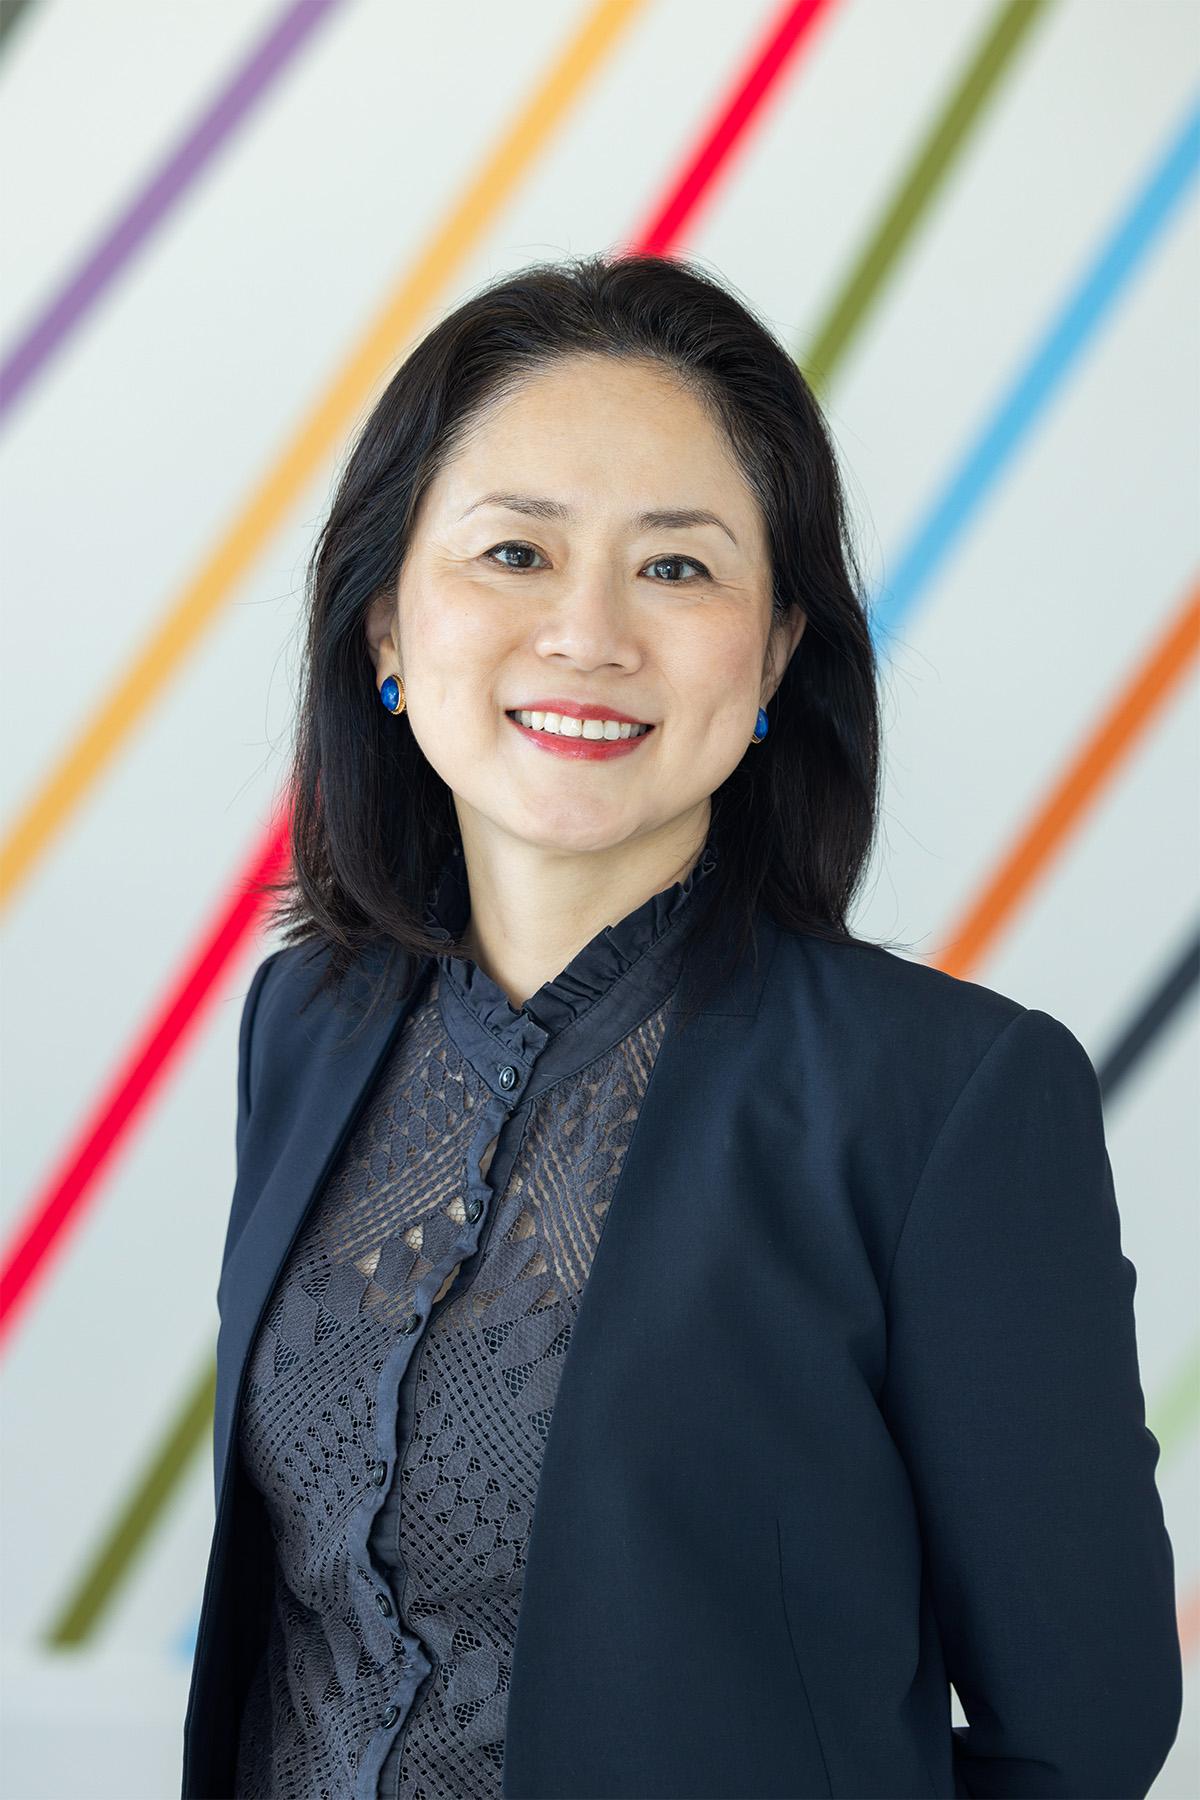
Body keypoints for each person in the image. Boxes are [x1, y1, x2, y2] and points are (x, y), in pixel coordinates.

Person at [182, 253, 1181, 1800]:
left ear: (777, 652)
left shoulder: (951, 1101)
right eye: (514, 551)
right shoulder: (304, 1021)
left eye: (677, 568)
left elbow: (1084, 1730)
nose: (588, 634)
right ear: (385, 626)